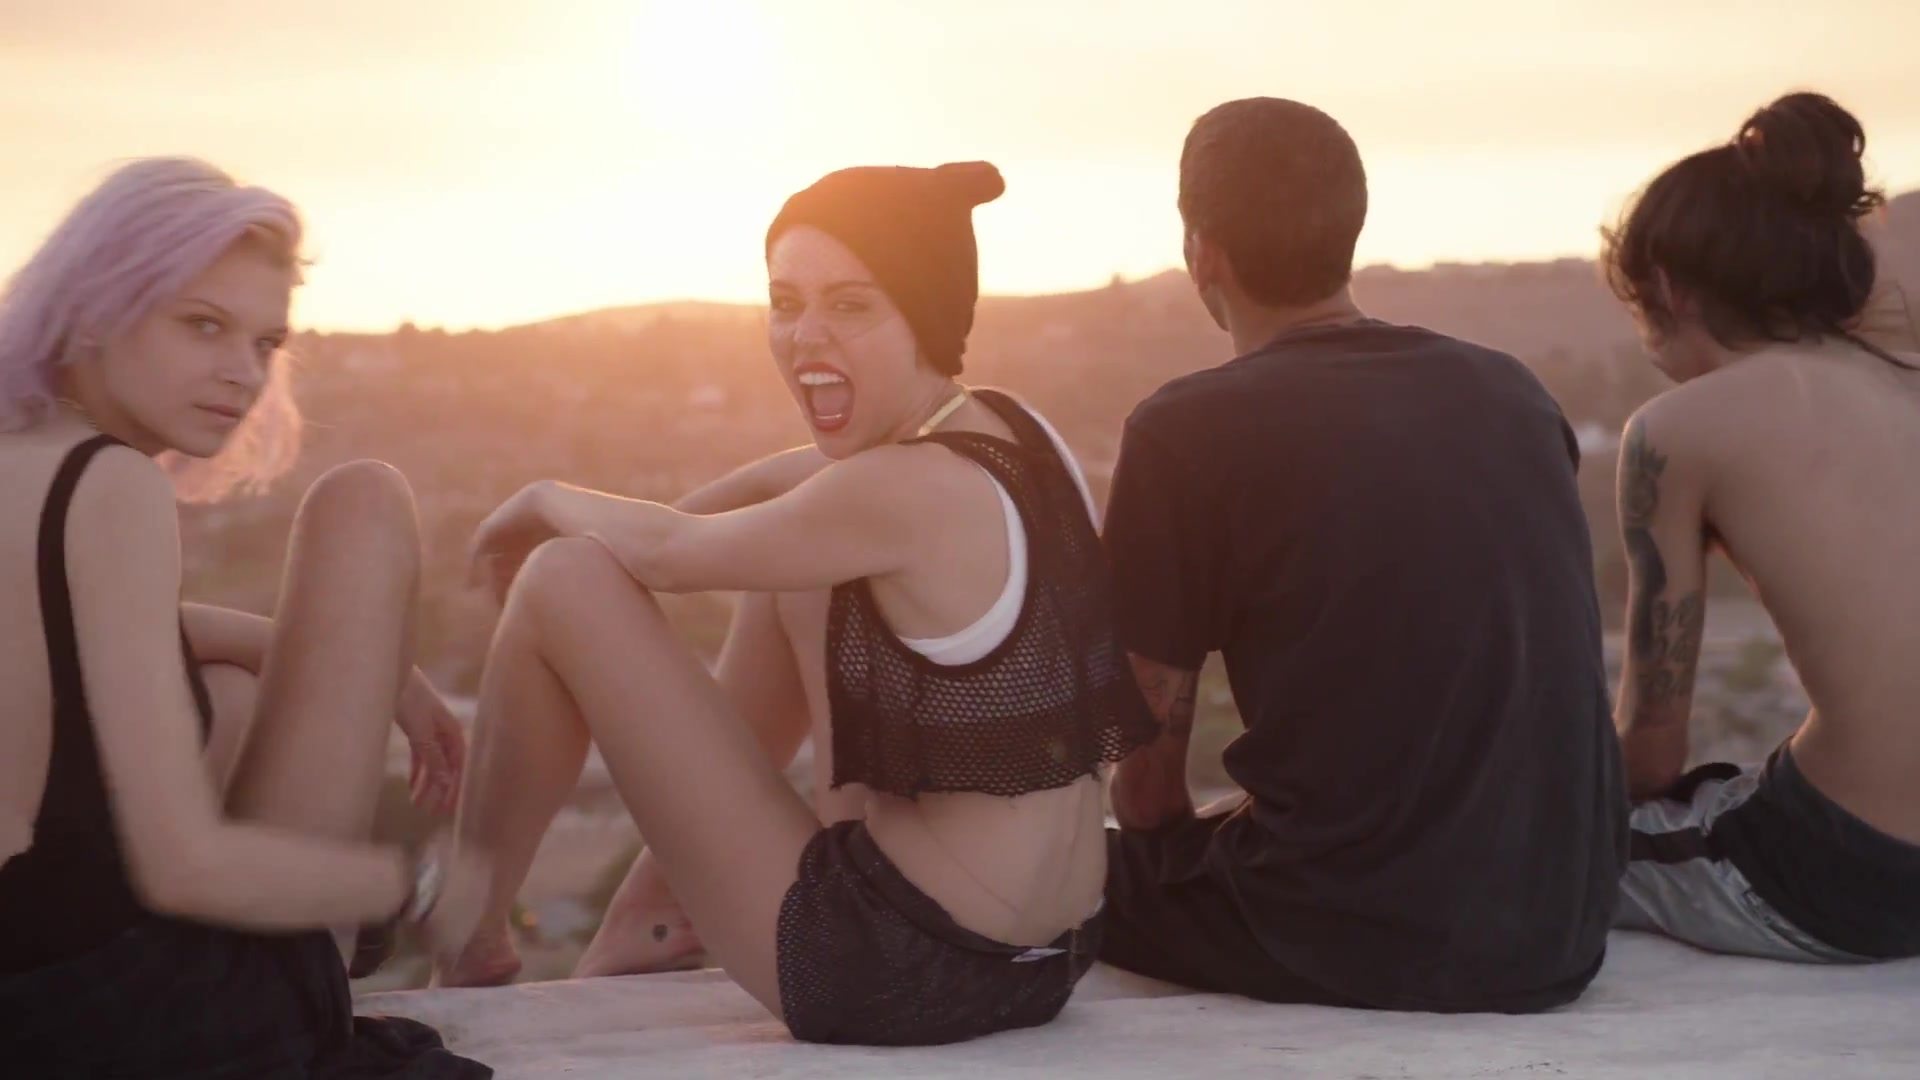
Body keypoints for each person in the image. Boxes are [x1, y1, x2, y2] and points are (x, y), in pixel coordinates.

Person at [437, 162, 1157, 1046]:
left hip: (899, 970)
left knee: (559, 579)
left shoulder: (898, 490)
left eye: (851, 306)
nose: (806, 335)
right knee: (804, 576)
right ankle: (653, 915)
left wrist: (546, 499)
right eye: (785, 302)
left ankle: (468, 936)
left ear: (924, 314)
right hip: (1048, 958)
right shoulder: (1014, 431)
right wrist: (666, 518)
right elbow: (786, 489)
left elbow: (670, 554)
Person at [1096, 98, 1627, 1012]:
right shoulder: (1511, 392)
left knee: (1042, 874)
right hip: (1560, 925)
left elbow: (1146, 796)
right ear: (1350, 229)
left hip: (1355, 934)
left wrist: (1176, 857)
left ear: (1202, 253)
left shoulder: (1185, 431)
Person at [0, 158, 491, 1078]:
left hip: (26, 992)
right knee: (364, 501)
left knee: (226, 691)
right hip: (111, 1034)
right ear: (95, 309)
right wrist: (417, 886)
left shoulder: (20, 450)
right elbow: (182, 866)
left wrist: (369, 673)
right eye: (202, 326)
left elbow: (63, 637)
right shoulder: (107, 484)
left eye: (266, 344)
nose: (241, 374)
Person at [1603, 92, 1920, 962]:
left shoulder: (1675, 431)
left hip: (1857, 873)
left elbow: (1651, 753)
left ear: (1668, 289)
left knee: (1511, 845)